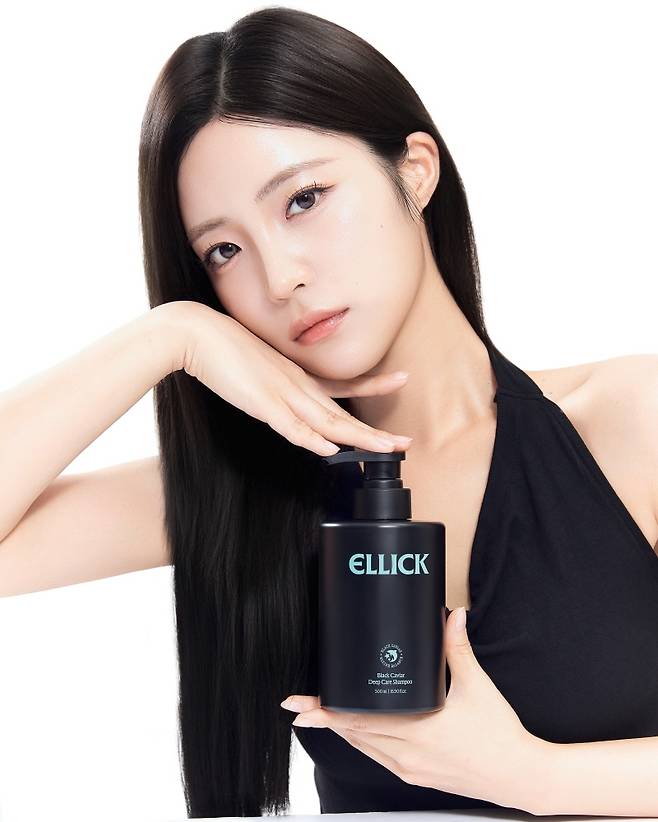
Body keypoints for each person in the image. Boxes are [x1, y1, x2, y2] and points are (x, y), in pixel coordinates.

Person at [1, 6, 657, 819]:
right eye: (224, 251)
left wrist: (532, 777)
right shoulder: (244, 487)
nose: (279, 277)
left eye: (304, 199)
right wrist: (167, 337)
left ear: (414, 171)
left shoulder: (630, 423)